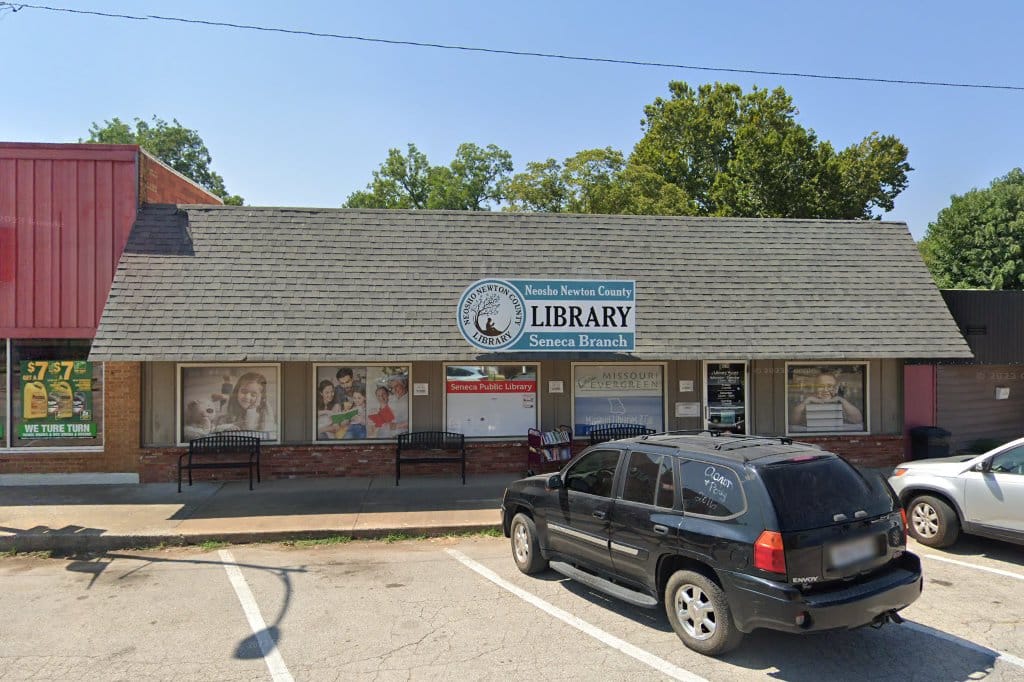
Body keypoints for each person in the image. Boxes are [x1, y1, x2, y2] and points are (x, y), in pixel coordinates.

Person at [790, 370, 863, 430]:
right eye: (821, 386)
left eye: (829, 386)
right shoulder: (809, 401)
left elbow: (857, 420)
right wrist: (806, 401)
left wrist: (841, 400)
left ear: (835, 389)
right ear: (815, 388)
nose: (825, 390)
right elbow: (793, 421)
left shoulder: (841, 402)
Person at [216, 371, 274, 436]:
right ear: (237, 390)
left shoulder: (265, 409)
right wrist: (227, 427)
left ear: (260, 396)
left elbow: (253, 432)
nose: (247, 397)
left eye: (253, 395)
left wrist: (252, 410)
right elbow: (218, 427)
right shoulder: (229, 405)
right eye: (244, 392)